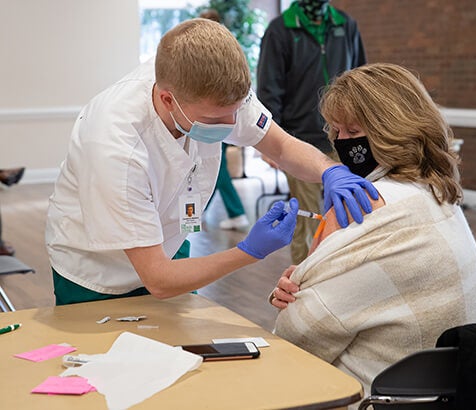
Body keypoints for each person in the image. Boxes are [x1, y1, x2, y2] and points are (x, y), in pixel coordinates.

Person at [46, 18, 377, 306]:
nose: (231, 125)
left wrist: (329, 170)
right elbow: (159, 280)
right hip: (98, 273)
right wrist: (248, 251)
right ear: (166, 99)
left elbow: (279, 145)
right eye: (215, 118)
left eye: (235, 113)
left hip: (169, 246)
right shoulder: (115, 144)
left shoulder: (218, 92)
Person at [269, 63, 476, 398]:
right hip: (444, 393)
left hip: (371, 397)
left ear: (394, 129)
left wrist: (301, 287)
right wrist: (312, 279)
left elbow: (294, 338)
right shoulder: (436, 194)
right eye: (336, 132)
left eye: (354, 133)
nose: (342, 144)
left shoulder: (371, 208)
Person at [257, 0, 366, 264]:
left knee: (351, 212)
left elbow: (363, 78)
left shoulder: (345, 24)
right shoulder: (280, 29)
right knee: (306, 218)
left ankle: (346, 270)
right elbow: (269, 89)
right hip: (299, 141)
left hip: (346, 139)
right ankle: (304, 279)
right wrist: (270, 144)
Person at [199, 8, 250, 230]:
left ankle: (236, 212)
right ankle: (199, 212)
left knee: (217, 169)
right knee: (215, 168)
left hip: (216, 119)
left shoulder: (217, 54)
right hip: (219, 117)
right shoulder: (230, 50)